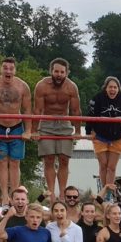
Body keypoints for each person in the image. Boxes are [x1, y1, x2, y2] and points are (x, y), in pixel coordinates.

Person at [0, 57, 33, 206]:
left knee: (15, 162)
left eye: (11, 68)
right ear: (1, 69)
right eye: (5, 68)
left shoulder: (22, 86)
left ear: (15, 70)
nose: (8, 71)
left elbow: (27, 110)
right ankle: (5, 196)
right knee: (2, 162)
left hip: (17, 127)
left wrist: (28, 130)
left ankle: (15, 195)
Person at [34, 58, 83, 204]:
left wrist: (78, 130)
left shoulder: (71, 87)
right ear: (51, 71)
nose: (59, 74)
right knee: (48, 159)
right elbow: (37, 109)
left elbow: (75, 110)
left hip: (64, 122)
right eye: (56, 71)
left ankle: (62, 194)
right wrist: (34, 130)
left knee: (64, 159)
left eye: (62, 72)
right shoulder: (42, 86)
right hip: (46, 122)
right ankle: (51, 194)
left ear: (67, 73)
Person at [86, 76, 121, 192]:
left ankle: (109, 193)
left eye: (115, 87)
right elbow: (90, 116)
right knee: (103, 165)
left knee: (111, 167)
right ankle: (104, 190)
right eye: (110, 87)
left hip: (117, 136)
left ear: (118, 88)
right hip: (100, 136)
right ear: (105, 88)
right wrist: (88, 132)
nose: (112, 90)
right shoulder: (98, 98)